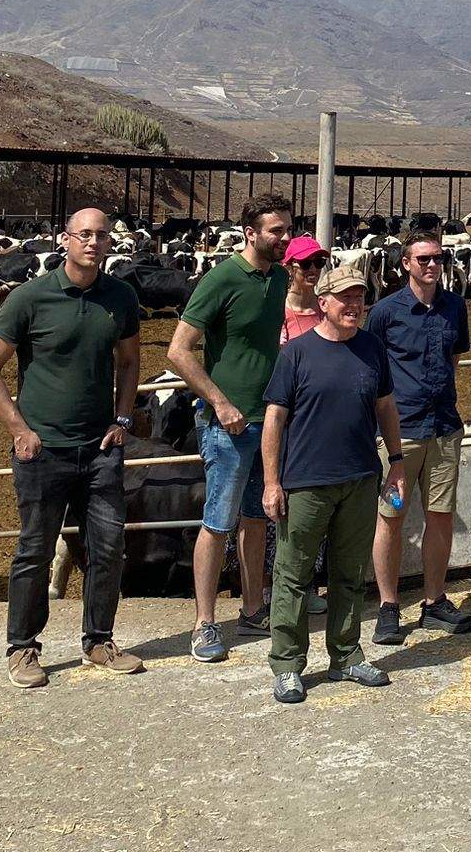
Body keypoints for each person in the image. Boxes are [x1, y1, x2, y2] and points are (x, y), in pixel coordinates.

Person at [0, 206, 145, 687]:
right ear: (65, 240)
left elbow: (131, 361)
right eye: (84, 235)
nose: (93, 243)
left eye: (102, 236)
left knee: (109, 546)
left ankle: (98, 640)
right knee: (35, 548)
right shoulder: (30, 298)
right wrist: (18, 428)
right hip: (43, 448)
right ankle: (23, 648)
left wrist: (123, 418)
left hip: (99, 448)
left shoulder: (121, 297)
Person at [258, 263, 405, 702]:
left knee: (349, 573)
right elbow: (274, 420)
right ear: (323, 302)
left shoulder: (371, 349)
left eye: (360, 297)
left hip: (359, 479)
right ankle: (287, 664)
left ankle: (345, 656)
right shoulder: (297, 353)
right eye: (345, 298)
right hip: (306, 482)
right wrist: (271, 481)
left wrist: (395, 462)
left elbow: (387, 408)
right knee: (293, 573)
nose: (354, 306)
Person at [166, 193, 291, 663]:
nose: (284, 238)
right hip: (230, 425)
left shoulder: (279, 278)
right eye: (275, 230)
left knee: (258, 518)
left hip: (271, 420)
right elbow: (178, 350)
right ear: (249, 234)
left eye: (287, 229)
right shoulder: (220, 279)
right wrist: (218, 402)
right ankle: (204, 623)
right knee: (217, 521)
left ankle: (253, 607)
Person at [368, 231, 471, 645]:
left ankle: (434, 601)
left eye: (438, 258)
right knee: (391, 518)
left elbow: (452, 360)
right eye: (424, 259)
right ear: (406, 265)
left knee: (441, 515)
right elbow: (373, 367)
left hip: (444, 429)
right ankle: (388, 605)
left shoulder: (455, 307)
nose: (432, 266)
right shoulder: (384, 312)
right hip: (401, 433)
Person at [280, 235, 328, 342]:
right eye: (305, 263)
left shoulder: (328, 308)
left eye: (319, 262)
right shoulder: (278, 312)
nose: (313, 269)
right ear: (289, 268)